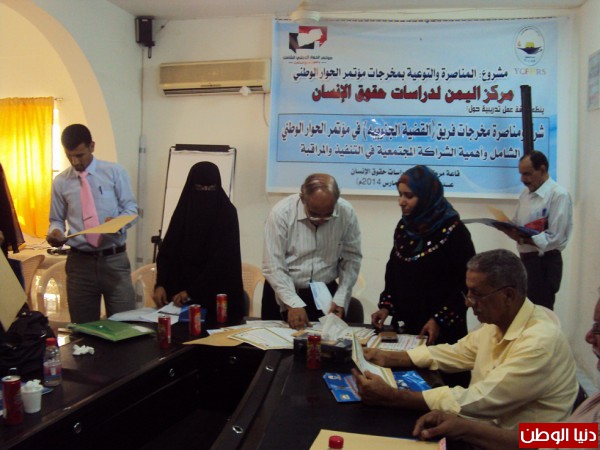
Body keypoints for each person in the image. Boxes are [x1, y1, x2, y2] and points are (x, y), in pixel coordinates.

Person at [352, 249, 578, 429]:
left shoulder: (540, 342)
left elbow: (482, 400)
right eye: (468, 293)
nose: (468, 303)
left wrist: (393, 397)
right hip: (484, 429)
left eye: (477, 294)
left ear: (508, 295)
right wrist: (390, 357)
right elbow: (457, 352)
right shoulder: (498, 323)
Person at [413, 290, 600, 450]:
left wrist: (466, 429)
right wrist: (465, 428)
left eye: (598, 328)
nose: (588, 337)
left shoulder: (540, 342)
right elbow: (552, 438)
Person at [371, 165, 475, 346]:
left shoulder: (455, 231)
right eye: (400, 195)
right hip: (407, 328)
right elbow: (394, 270)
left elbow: (466, 283)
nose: (401, 202)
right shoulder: (405, 228)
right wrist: (386, 307)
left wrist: (439, 320)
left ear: (427, 196)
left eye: (408, 196)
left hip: (442, 331)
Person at [47, 124, 138, 323]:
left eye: (80, 155)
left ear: (92, 146)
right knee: (84, 328)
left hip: (114, 260)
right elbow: (56, 219)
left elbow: (131, 209)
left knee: (125, 324)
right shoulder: (61, 182)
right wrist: (55, 232)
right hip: (80, 263)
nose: (75, 161)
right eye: (69, 156)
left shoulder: (114, 172)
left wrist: (117, 223)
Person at [261, 173, 362, 330]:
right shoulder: (281, 213)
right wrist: (292, 302)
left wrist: (341, 296)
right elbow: (272, 265)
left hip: (324, 294)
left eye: (328, 214)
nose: (321, 220)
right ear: (302, 198)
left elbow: (352, 258)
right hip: (282, 293)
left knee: (326, 343)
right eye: (314, 214)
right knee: (276, 344)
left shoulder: (346, 213)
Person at [153, 161, 244, 323]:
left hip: (215, 300)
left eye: (211, 188)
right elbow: (168, 251)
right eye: (200, 187)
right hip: (177, 302)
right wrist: (160, 284)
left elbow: (222, 262)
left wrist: (191, 292)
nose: (205, 192)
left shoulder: (226, 213)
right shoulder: (184, 211)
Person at [498, 150, 572, 310]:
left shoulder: (558, 195)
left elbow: (555, 238)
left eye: (527, 174)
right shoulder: (526, 194)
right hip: (526, 262)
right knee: (522, 312)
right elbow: (518, 223)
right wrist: (507, 226)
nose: (523, 179)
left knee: (540, 314)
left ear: (542, 170)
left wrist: (522, 239)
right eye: (521, 174)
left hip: (544, 264)